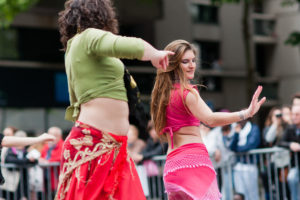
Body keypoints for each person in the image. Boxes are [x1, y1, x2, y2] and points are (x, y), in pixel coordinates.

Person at [56, 0, 173, 199]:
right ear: (100, 15)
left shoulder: (76, 46)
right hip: (95, 145)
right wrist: (154, 54)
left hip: (112, 147)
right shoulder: (88, 36)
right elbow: (124, 44)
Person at [150, 40, 266, 200]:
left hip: (172, 167)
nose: (192, 65)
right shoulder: (187, 93)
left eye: (193, 61)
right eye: (185, 61)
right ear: (173, 64)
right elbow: (210, 119)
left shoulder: (162, 95)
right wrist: (245, 113)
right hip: (193, 162)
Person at [229, 119, 261, 200]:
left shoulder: (254, 128)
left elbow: (250, 145)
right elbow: (232, 147)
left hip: (250, 166)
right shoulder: (237, 129)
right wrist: (236, 133)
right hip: (238, 166)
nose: (240, 121)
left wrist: (237, 149)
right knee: (239, 194)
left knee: (252, 194)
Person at [278, 105, 300, 200]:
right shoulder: (290, 128)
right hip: (296, 165)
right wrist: (290, 145)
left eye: (297, 114)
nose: (294, 116)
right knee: (291, 178)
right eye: (293, 114)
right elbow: (280, 142)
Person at [39, 127, 64, 198]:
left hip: (57, 180)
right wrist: (41, 160)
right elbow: (42, 156)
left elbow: (61, 158)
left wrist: (48, 162)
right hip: (47, 179)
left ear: (58, 136)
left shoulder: (63, 145)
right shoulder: (47, 146)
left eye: (52, 135)